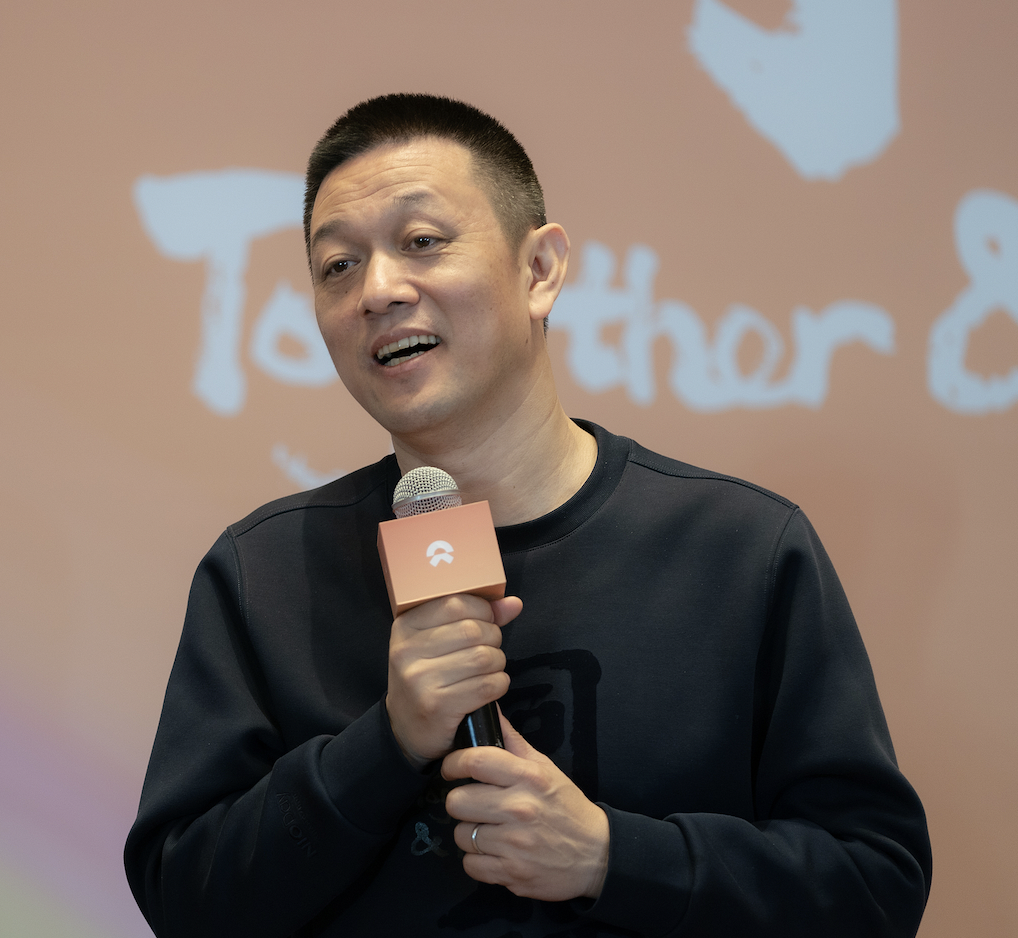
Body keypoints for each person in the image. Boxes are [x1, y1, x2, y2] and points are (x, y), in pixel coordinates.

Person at [124, 94, 931, 937]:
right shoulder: (265, 574)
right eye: (338, 266)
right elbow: (187, 901)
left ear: (540, 269)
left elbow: (874, 886)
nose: (377, 290)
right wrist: (385, 744)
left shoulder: (741, 550)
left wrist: (611, 857)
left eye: (421, 242)